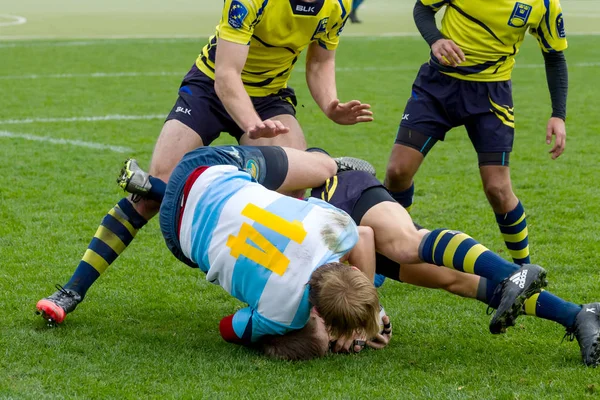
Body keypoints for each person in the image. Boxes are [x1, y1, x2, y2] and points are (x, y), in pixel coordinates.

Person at [36, 0, 374, 322]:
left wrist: (331, 104)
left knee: (289, 196)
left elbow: (319, 62)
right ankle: (72, 290)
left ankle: (300, 301)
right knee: (152, 198)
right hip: (209, 91)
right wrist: (249, 124)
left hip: (270, 98)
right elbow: (227, 76)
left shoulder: (337, 5)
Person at [309, 170, 600, 367]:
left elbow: (363, 235)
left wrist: (370, 315)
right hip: (345, 239)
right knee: (457, 281)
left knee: (407, 244)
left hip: (344, 197)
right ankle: (577, 315)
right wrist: (352, 326)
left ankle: (511, 274)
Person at [384, 0, 569, 268]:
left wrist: (558, 114)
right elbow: (422, 8)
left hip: (491, 97)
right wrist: (435, 40)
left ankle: (524, 270)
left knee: (497, 188)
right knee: (397, 171)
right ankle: (393, 251)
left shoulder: (544, 5)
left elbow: (554, 57)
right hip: (437, 86)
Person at [153, 145, 382, 346]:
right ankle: (154, 190)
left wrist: (372, 304)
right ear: (319, 313)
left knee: (312, 178)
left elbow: (363, 235)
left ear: (352, 269)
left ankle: (328, 162)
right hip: (177, 233)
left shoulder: (337, 228)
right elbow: (227, 328)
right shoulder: (283, 317)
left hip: (206, 168)